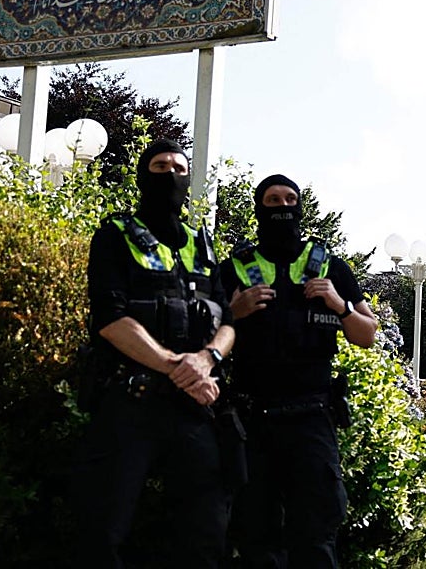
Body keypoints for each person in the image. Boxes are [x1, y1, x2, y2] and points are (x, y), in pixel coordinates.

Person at [72, 139, 235, 567]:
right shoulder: (115, 236)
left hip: (194, 408)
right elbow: (110, 318)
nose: (170, 175)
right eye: (159, 166)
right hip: (132, 403)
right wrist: (174, 365)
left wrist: (206, 360)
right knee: (103, 531)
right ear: (144, 176)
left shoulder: (203, 245)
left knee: (205, 534)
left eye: (179, 168)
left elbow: (229, 321)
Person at [226, 174, 377, 568]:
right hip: (251, 420)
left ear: (300, 207)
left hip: (311, 419)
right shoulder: (236, 269)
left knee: (316, 532)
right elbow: (207, 335)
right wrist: (234, 312)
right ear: (259, 207)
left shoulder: (329, 267)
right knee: (257, 532)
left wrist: (338, 303)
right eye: (272, 200)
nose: (282, 207)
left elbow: (367, 334)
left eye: (289, 199)